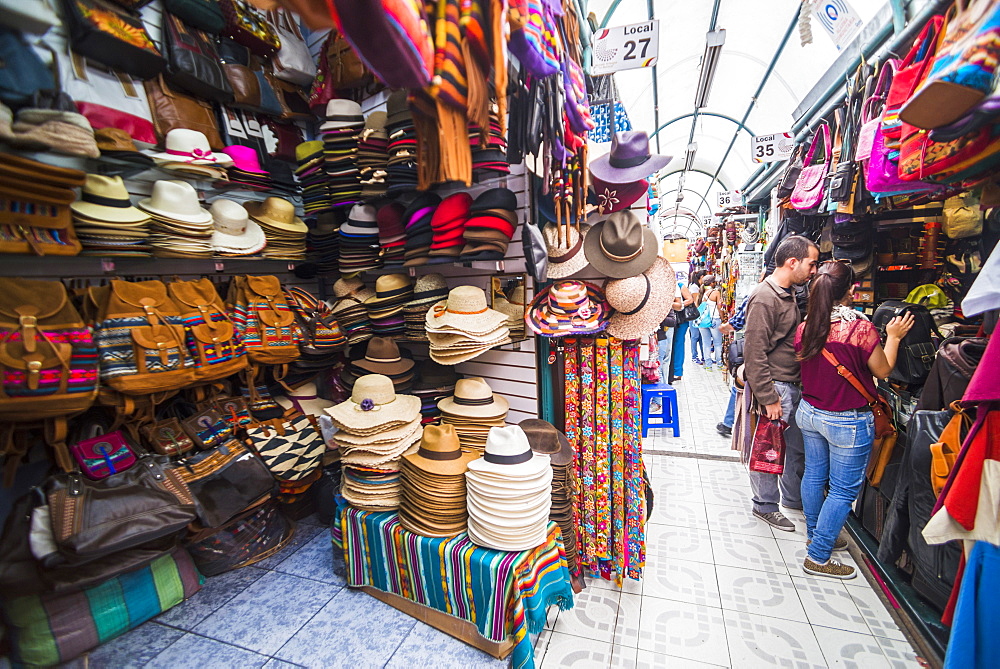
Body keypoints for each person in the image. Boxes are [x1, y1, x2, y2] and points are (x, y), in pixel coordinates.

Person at [794, 261, 914, 579]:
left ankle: (815, 534)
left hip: (810, 413)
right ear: (851, 290)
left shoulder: (806, 327)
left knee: (815, 476)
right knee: (844, 490)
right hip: (845, 420)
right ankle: (818, 555)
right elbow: (883, 369)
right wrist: (894, 336)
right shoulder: (858, 329)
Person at [743, 235, 819, 532]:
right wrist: (768, 396)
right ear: (793, 262)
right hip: (776, 386)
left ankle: (791, 498)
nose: (813, 271)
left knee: (791, 448)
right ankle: (765, 505)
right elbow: (754, 350)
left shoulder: (787, 294)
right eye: (811, 264)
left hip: (789, 384)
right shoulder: (766, 297)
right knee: (768, 450)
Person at [716, 294, 750, 437]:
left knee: (739, 383)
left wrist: (725, 327)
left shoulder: (757, 293)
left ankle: (729, 423)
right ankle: (729, 422)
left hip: (758, 355)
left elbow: (737, 322)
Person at [670, 281, 695, 382]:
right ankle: (673, 370)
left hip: (681, 319)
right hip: (672, 318)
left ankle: (678, 372)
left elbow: (690, 299)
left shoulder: (679, 285)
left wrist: (679, 305)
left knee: (678, 343)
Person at [698, 274, 723, 371]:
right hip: (714, 319)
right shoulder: (716, 292)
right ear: (712, 283)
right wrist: (722, 318)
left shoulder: (701, 292)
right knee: (717, 343)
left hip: (703, 321)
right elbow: (719, 307)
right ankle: (719, 363)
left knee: (706, 343)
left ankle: (708, 365)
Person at [657, 292, 683, 385]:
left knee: (661, 364)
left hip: (661, 337)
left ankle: (663, 389)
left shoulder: (665, 303)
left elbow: (672, 320)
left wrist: (657, 317)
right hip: (659, 338)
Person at [688, 270, 706, 365]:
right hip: (695, 315)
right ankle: (694, 357)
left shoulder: (696, 286)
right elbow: (696, 302)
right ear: (702, 277)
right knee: (695, 336)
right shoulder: (694, 288)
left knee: (700, 337)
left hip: (697, 315)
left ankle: (704, 356)